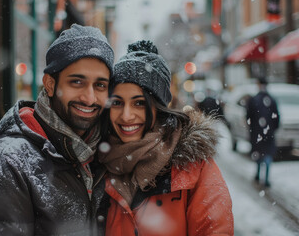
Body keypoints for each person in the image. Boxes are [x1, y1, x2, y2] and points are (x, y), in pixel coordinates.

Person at [0, 24, 114, 235]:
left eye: (100, 85)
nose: (89, 97)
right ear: (49, 84)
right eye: (77, 82)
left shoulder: (100, 155)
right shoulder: (5, 167)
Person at [97, 41, 234, 236]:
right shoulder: (97, 161)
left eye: (139, 103)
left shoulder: (194, 166)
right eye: (117, 102)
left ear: (159, 107)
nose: (126, 115)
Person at [246, 77, 280, 187]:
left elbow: (248, 117)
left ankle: (258, 174)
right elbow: (277, 118)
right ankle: (266, 178)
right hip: (269, 133)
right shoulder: (272, 100)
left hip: (257, 132)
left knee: (259, 154)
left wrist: (252, 129)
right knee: (267, 155)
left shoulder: (253, 100)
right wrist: (272, 129)